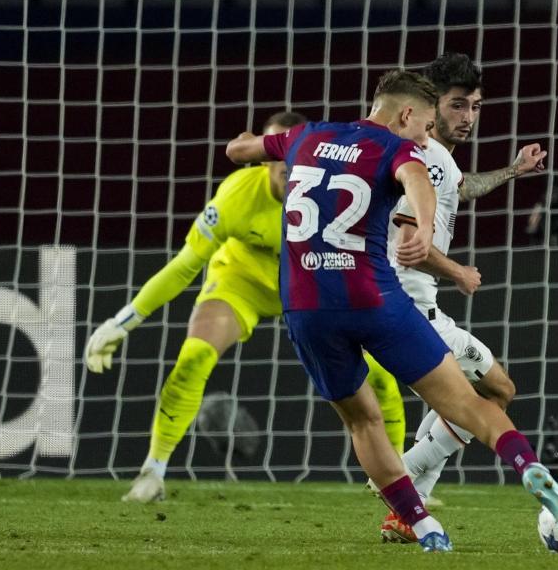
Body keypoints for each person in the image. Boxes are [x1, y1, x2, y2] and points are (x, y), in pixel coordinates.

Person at [225, 69, 558, 552]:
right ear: (406, 115)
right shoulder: (399, 148)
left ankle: (422, 526)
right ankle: (528, 467)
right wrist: (423, 226)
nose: (425, 139)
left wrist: (253, 142)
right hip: (377, 298)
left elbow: (238, 151)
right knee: (472, 402)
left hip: (307, 306)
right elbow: (416, 177)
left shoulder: (308, 134)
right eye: (422, 128)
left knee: (362, 421)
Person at [84, 110, 407, 501]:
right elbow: (185, 266)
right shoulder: (238, 195)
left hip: (313, 287)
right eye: (275, 152)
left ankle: (403, 475)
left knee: (379, 377)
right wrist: (123, 322)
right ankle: (152, 472)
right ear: (260, 154)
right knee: (194, 358)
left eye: (293, 151)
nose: (285, 163)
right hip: (242, 284)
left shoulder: (339, 195)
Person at [376, 52, 548, 543]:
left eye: (475, 106)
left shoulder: (436, 159)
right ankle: (399, 478)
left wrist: (512, 172)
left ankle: (405, 512)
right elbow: (410, 245)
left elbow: (459, 187)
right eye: (457, 106)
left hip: (404, 305)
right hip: (407, 307)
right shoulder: (420, 155)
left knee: (474, 396)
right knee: (497, 393)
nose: (468, 117)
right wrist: (458, 272)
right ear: (430, 103)